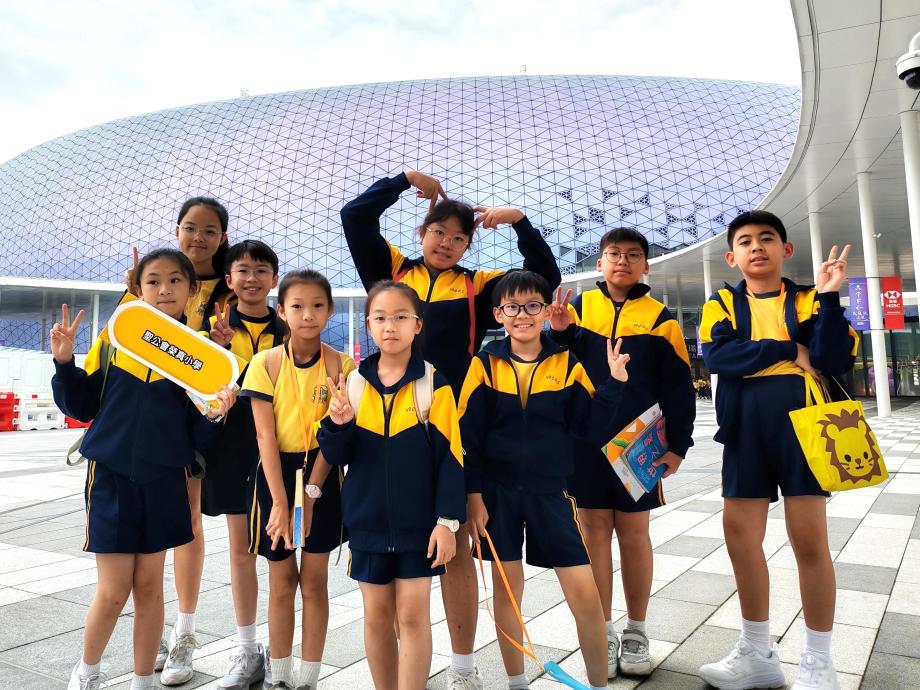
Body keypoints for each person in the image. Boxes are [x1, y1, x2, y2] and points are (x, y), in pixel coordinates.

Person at [342, 170, 561, 688]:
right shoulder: (393, 270)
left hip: (453, 426)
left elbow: (542, 279)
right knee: (396, 556)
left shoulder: (478, 286)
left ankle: (462, 667)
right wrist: (402, 180)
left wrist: (520, 222)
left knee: (457, 544)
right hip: (388, 425)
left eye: (459, 237)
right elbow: (356, 217)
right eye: (438, 232)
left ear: (468, 245)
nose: (446, 243)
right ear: (422, 233)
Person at [52, 249, 237, 690]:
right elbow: (80, 405)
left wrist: (216, 414)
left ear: (193, 290)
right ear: (138, 288)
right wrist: (64, 362)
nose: (164, 289)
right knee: (114, 590)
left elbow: (199, 437)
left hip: (164, 479)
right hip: (111, 476)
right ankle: (87, 673)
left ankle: (143, 682)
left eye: (175, 281)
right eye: (153, 281)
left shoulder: (201, 357)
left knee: (151, 588)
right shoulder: (118, 338)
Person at [697, 210, 856, 690]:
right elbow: (719, 356)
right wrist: (789, 351)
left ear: (786, 249)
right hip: (745, 428)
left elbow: (832, 358)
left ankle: (819, 661)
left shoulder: (810, 299)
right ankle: (757, 652)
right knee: (739, 536)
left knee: (809, 540)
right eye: (745, 241)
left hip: (806, 427)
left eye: (767, 238)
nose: (757, 247)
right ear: (732, 257)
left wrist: (830, 298)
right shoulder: (720, 303)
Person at [458, 271, 631, 690]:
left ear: (545, 310)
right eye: (512, 307)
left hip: (551, 493)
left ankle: (598, 685)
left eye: (532, 305)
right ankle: (516, 682)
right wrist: (474, 497)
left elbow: (590, 428)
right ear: (498, 314)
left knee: (585, 594)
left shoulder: (566, 363)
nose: (523, 315)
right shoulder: (484, 364)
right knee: (507, 594)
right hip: (496, 497)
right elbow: (468, 437)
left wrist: (614, 385)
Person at [549, 227, 695, 678]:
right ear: (599, 263)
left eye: (633, 255)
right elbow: (555, 367)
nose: (623, 261)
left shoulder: (661, 319)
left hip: (639, 444)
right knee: (593, 531)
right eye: (614, 254)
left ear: (645, 265)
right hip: (584, 442)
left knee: (634, 534)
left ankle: (636, 631)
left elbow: (678, 388)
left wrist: (678, 446)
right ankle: (603, 631)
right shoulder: (577, 309)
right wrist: (559, 332)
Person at [318, 280, 466, 690]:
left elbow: (452, 460)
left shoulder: (435, 385)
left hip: (420, 528)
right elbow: (337, 454)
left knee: (414, 617)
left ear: (418, 325)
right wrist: (338, 425)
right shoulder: (354, 383)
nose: (390, 326)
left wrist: (448, 521)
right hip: (366, 525)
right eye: (380, 317)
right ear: (368, 324)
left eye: (401, 317)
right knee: (377, 618)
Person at [241, 269, 356, 690]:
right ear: (282, 311)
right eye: (297, 306)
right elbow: (265, 437)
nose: (308, 314)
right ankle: (279, 676)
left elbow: (336, 435)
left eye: (317, 306)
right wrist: (278, 502)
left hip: (322, 474)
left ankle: (308, 678)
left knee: (314, 581)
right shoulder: (265, 364)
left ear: (329, 310)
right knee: (281, 581)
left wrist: (310, 493)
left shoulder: (341, 365)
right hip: (274, 475)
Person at [200, 239, 284, 689]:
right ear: (229, 279)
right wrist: (216, 353)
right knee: (241, 551)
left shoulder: (289, 328)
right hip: (232, 452)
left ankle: (281, 652)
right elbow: (198, 398)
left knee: (280, 556)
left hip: (281, 454)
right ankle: (248, 650)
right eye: (243, 271)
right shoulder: (213, 329)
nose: (252, 279)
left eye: (261, 270)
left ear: (274, 279)